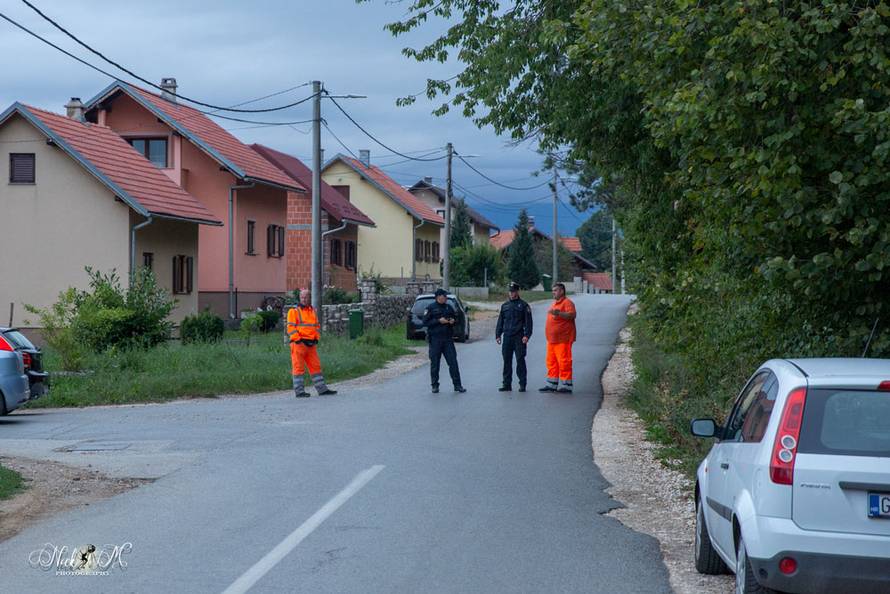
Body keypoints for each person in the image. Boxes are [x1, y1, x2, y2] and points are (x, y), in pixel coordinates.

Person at [286, 289, 337, 398]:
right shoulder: (294, 311)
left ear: (309, 298)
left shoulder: (312, 311)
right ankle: (299, 392)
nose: (304, 299)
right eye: (302, 297)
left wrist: (316, 338)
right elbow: (290, 327)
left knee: (316, 367)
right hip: (298, 344)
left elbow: (316, 327)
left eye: (306, 297)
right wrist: (298, 339)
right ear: (300, 298)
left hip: (311, 344)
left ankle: (322, 389)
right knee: (298, 368)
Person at [422, 288, 466, 393]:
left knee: (453, 363)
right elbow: (425, 322)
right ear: (438, 297)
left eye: (446, 296)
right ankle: (435, 385)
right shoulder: (430, 308)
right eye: (444, 296)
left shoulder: (448, 307)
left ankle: (457, 385)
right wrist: (438, 321)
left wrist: (452, 321)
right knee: (435, 363)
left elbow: (455, 319)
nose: (445, 298)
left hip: (447, 339)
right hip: (435, 339)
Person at [496, 281, 533, 392]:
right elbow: (500, 321)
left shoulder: (524, 305)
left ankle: (522, 384)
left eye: (513, 291)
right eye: (510, 292)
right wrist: (498, 335)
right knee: (507, 361)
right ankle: (506, 384)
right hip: (507, 336)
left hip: (519, 337)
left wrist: (527, 335)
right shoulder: (505, 306)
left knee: (520, 360)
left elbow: (528, 323)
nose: (511, 294)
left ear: (517, 292)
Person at [539, 282, 576, 393]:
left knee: (564, 361)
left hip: (563, 339)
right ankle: (552, 384)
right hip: (552, 340)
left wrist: (559, 313)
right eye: (553, 290)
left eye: (555, 290)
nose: (553, 292)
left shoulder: (567, 302)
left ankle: (567, 385)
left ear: (562, 291)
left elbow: (572, 315)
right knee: (551, 362)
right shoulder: (555, 303)